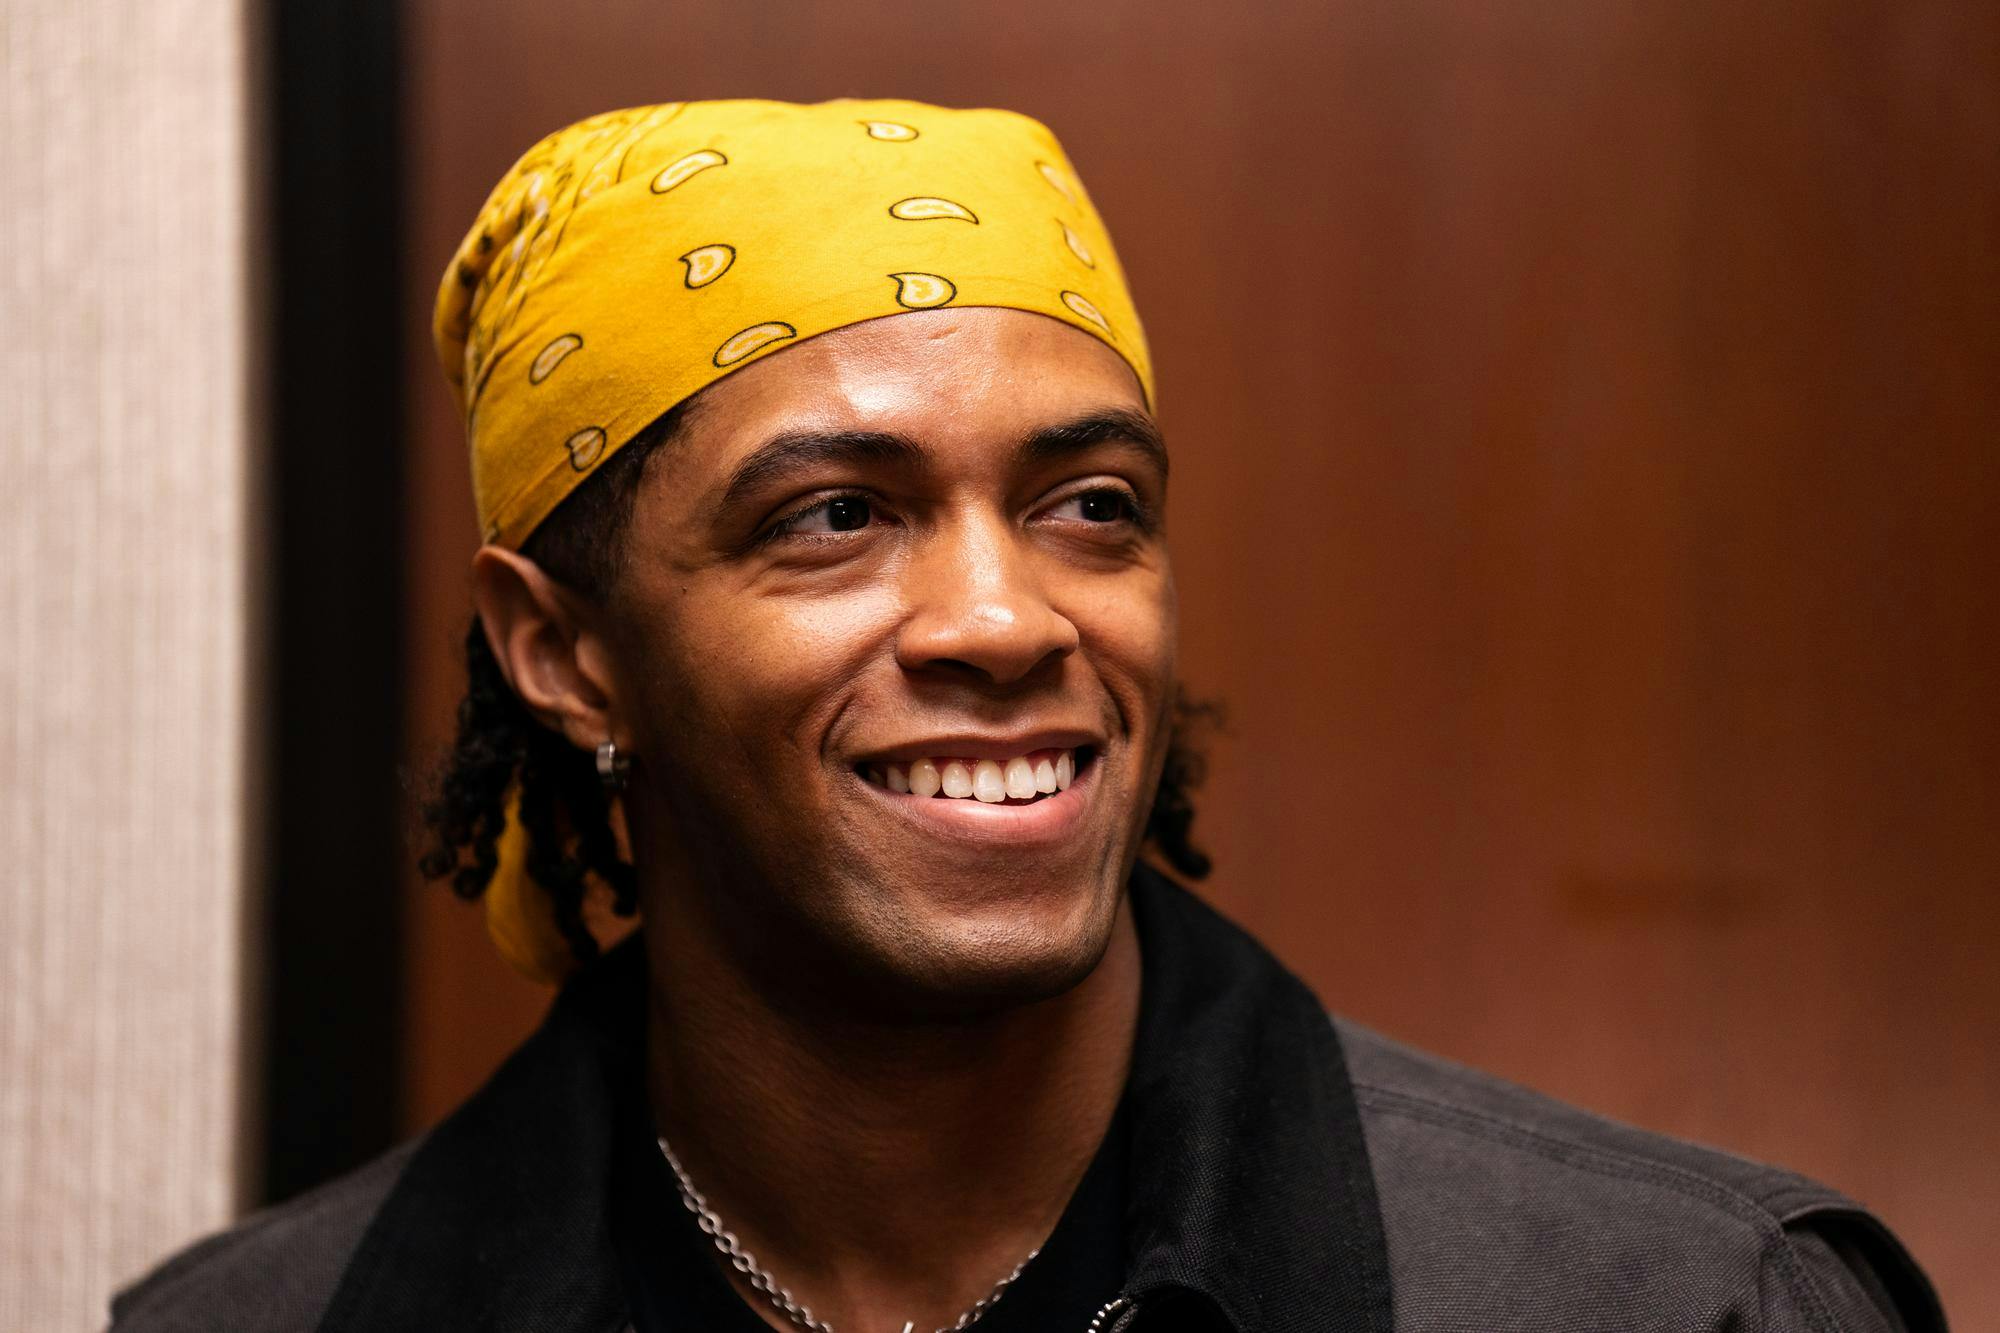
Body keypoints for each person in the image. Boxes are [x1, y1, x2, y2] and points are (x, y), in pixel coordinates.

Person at [111, 98, 1945, 1333]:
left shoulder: (1687, 1302)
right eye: (837, 515)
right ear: (567, 654)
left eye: (1091, 505)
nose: (1007, 617)